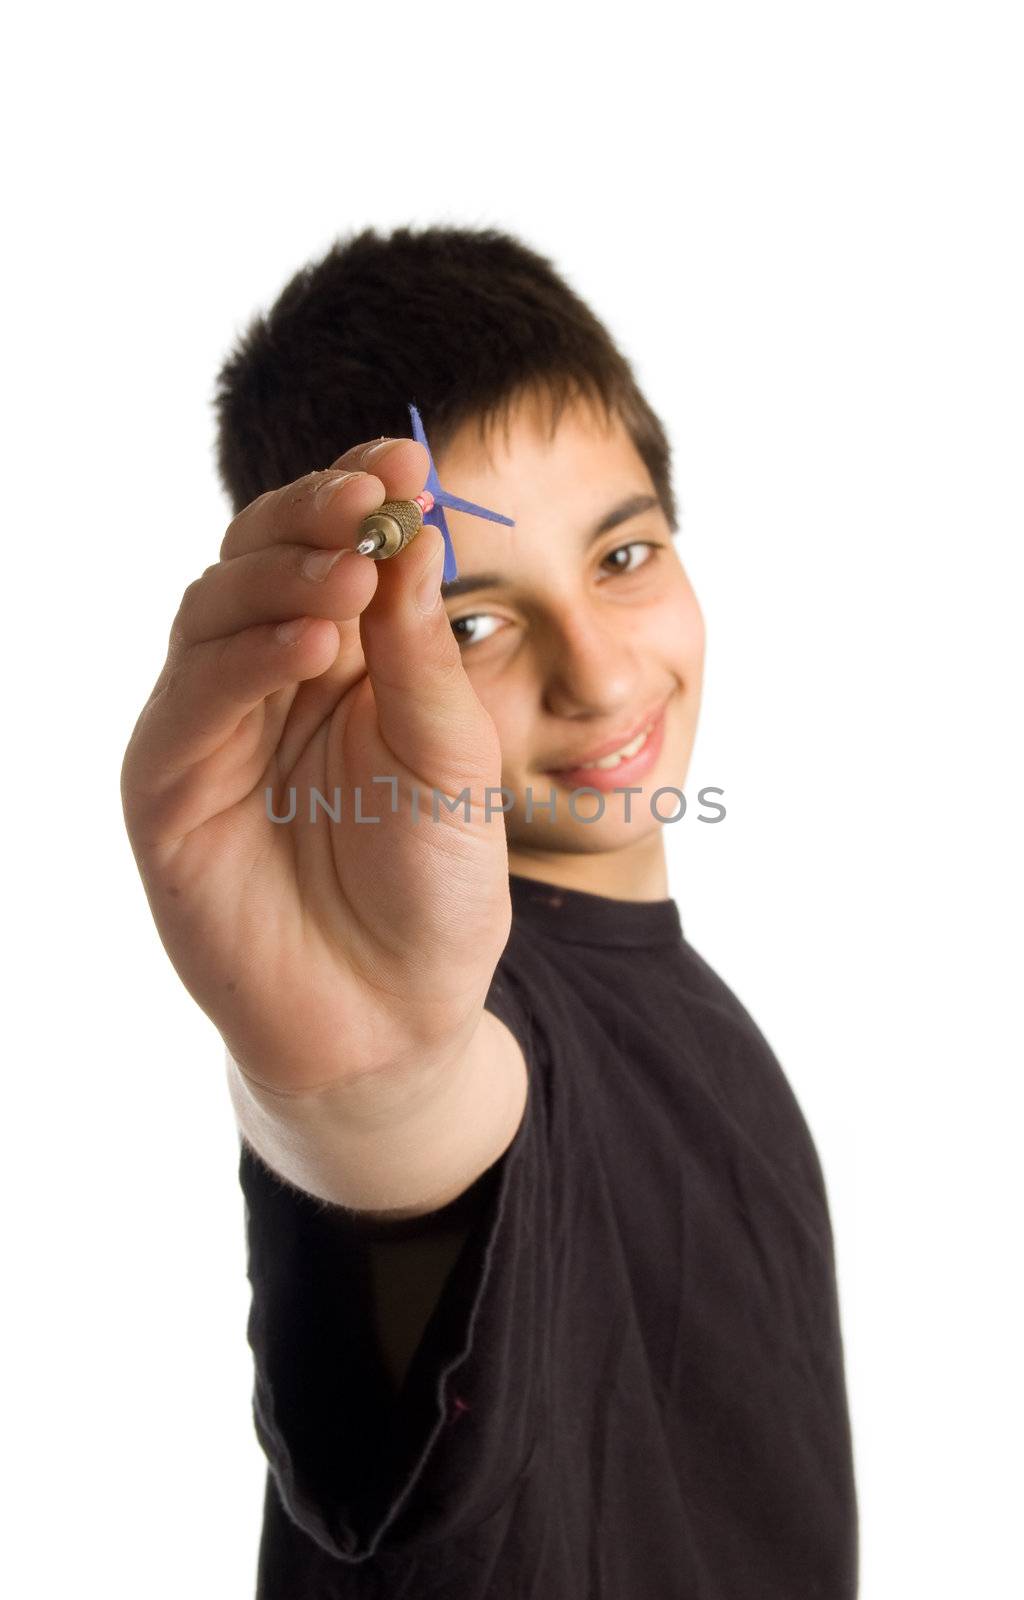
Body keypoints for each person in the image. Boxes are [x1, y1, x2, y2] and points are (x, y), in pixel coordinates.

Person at [120, 224, 859, 1597]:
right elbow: (432, 1120)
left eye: (625, 557)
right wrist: (373, 1093)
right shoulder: (486, 1023)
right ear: (351, 674)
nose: (597, 672)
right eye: (473, 625)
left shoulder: (692, 1011)